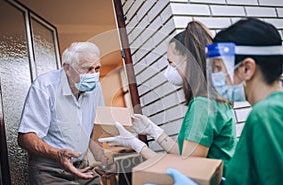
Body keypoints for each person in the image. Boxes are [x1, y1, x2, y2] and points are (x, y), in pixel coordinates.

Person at [142, 18, 283, 185]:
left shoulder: (267, 114)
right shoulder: (270, 111)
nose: (213, 76)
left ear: (247, 69)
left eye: (217, 68)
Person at [99, 21, 237, 175]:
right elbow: (185, 154)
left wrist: (136, 145)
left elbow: (186, 170)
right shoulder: (213, 99)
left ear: (188, 60)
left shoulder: (203, 105)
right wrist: (154, 131)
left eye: (170, 62)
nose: (168, 70)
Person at [18, 42, 112, 185]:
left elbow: (92, 128)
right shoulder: (45, 86)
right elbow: (25, 138)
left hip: (83, 167)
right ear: (67, 68)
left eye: (97, 68)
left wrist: (100, 157)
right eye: (87, 69)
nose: (93, 75)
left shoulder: (95, 88)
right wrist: (58, 154)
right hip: (51, 172)